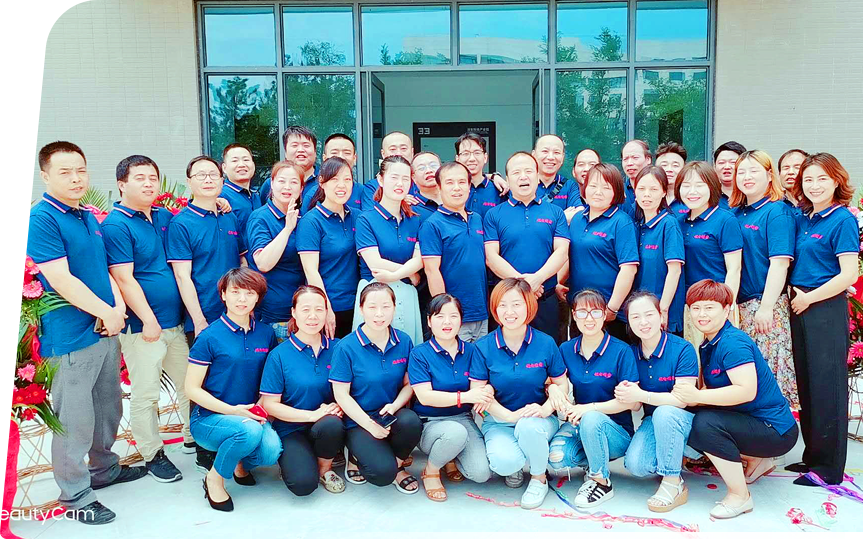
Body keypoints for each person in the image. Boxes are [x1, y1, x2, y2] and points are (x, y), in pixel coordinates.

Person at [18, 141, 146, 525]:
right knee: (74, 420)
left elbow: (103, 268)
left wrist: (117, 309)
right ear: (45, 176)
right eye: (65, 172)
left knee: (108, 407)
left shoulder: (87, 216)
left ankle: (104, 469)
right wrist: (107, 312)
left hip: (105, 329)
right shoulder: (43, 220)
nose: (76, 179)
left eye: (81, 170)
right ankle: (75, 495)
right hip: (70, 337)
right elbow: (60, 279)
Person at [675, 280, 798, 519]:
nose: (701, 314)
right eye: (696, 308)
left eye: (709, 307)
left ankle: (740, 497)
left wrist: (697, 396)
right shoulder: (709, 343)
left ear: (726, 309)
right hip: (754, 421)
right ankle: (757, 460)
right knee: (693, 416)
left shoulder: (733, 342)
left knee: (705, 425)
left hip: (775, 429)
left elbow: (746, 391)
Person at [102, 155, 191, 484]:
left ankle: (193, 437)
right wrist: (148, 319)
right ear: (122, 184)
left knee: (189, 385)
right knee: (147, 394)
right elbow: (123, 278)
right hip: (144, 328)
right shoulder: (116, 225)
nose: (149, 183)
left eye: (153, 177)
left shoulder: (164, 216)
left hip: (175, 323)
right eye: (140, 178)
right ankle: (153, 454)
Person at [787, 153, 858, 485]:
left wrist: (810, 298)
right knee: (808, 384)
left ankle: (829, 469)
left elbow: (848, 275)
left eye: (822, 179)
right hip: (800, 307)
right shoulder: (805, 218)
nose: (814, 186)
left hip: (824, 308)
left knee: (828, 386)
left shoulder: (841, 219)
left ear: (836, 181)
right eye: (808, 180)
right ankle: (813, 457)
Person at [185, 268, 281, 512]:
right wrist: (233, 411)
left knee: (271, 451)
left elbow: (270, 380)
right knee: (247, 432)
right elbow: (191, 389)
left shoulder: (266, 333)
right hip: (209, 418)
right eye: (235, 292)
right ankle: (214, 479)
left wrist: (260, 409)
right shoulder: (209, 337)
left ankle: (239, 462)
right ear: (223, 295)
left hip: (252, 415)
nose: (242, 299)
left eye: (249, 293)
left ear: (258, 297)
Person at [470, 278, 568, 509]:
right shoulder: (483, 346)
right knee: (504, 463)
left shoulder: (545, 343)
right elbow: (478, 393)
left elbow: (561, 385)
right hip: (499, 421)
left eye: (516, 304)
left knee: (528, 427)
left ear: (529, 306)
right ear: (495, 309)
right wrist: (509, 416)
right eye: (503, 305)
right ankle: (519, 460)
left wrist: (545, 409)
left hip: (538, 420)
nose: (509, 312)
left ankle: (538, 478)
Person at [547, 290, 639, 508]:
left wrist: (589, 408)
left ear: (605, 314)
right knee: (557, 457)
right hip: (579, 425)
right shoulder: (566, 349)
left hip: (615, 431)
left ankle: (601, 480)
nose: (589, 318)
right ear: (574, 315)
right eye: (582, 312)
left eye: (596, 312)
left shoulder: (621, 351)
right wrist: (553, 389)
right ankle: (595, 457)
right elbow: (553, 381)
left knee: (591, 418)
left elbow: (634, 403)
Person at [330, 282, 423, 493]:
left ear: (394, 308)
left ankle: (397, 466)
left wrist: (395, 406)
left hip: (390, 414)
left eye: (386, 306)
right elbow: (341, 395)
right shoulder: (346, 347)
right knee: (381, 475)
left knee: (411, 422)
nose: (379, 314)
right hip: (358, 420)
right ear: (361, 309)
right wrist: (370, 425)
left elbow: (410, 384)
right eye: (372, 307)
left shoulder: (403, 341)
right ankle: (355, 456)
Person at [260, 285, 347, 496]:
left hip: (327, 426)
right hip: (291, 428)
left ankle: (325, 469)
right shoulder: (279, 355)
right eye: (306, 309)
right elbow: (270, 405)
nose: (312, 316)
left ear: (326, 312)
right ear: (294, 312)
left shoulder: (339, 348)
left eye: (319, 309)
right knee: (303, 485)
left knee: (331, 424)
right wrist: (312, 415)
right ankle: (297, 461)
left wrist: (340, 405)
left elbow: (352, 389)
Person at [617, 292, 698, 512]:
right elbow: (633, 402)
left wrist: (641, 395)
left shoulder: (682, 349)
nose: (643, 322)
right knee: (636, 465)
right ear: (628, 322)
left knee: (665, 411)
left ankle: (673, 482)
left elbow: (682, 400)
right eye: (635, 317)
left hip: (684, 419)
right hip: (653, 420)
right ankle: (674, 455)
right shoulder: (629, 353)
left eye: (649, 314)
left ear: (661, 315)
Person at [409, 294, 494, 501]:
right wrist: (466, 396)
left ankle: (449, 456)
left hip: (462, 418)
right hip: (430, 422)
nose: (447, 322)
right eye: (440, 316)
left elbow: (480, 387)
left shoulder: (472, 351)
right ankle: (431, 470)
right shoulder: (419, 354)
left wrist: (487, 390)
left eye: (453, 316)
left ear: (461, 320)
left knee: (481, 473)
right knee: (455, 433)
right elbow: (425, 397)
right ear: (429, 321)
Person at [730, 150, 797, 409]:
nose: (746, 177)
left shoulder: (777, 211)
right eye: (741, 172)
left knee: (769, 374)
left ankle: (773, 430)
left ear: (769, 176)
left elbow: (780, 264)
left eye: (753, 171)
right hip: (740, 307)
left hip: (765, 306)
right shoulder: (737, 213)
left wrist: (767, 307)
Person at [483, 152, 569, 340]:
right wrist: (524, 285)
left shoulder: (556, 213)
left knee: (547, 351)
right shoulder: (493, 215)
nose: (523, 176)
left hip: (545, 299)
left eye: (529, 171)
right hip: (508, 303)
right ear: (508, 180)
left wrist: (538, 279)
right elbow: (491, 257)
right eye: (516, 172)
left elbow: (562, 252)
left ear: (537, 176)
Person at [167, 155, 246, 343]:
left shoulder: (230, 217)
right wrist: (199, 320)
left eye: (213, 175)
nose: (208, 180)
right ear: (189, 182)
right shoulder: (181, 224)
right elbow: (182, 276)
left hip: (237, 315)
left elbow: (242, 261)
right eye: (201, 175)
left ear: (222, 180)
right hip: (205, 319)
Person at [559, 163, 639, 342]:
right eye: (593, 186)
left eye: (606, 187)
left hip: (609, 313)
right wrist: (558, 283)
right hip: (580, 309)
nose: (598, 192)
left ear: (616, 191)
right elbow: (571, 256)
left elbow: (629, 269)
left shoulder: (621, 222)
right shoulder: (577, 219)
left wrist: (612, 307)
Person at [354, 155, 424, 344]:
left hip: (406, 295)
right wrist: (409, 273)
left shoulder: (415, 220)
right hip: (375, 295)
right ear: (381, 179)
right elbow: (374, 263)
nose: (400, 183)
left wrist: (396, 274)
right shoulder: (366, 219)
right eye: (394, 177)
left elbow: (419, 259)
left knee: (407, 349)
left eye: (405, 178)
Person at [419, 162, 489, 342]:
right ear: (439, 187)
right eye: (449, 182)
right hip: (454, 316)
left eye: (462, 182)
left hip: (481, 311)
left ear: (469, 186)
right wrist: (445, 313)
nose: (457, 188)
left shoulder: (477, 219)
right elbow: (432, 270)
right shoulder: (432, 225)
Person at [675, 161, 742, 345]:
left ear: (711, 187)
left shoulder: (725, 220)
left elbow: (734, 269)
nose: (692, 191)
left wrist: (727, 307)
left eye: (699, 185)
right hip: (689, 305)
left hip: (716, 305)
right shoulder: (678, 222)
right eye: (686, 186)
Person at [297, 156, 360, 338]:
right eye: (335, 180)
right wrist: (325, 308)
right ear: (321, 182)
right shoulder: (311, 221)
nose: (342, 185)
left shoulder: (357, 216)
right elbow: (311, 271)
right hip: (331, 306)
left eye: (347, 179)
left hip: (358, 305)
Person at [246, 160, 305, 342]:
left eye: (294, 182)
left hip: (302, 313)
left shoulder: (303, 219)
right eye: (281, 181)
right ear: (272, 184)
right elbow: (263, 263)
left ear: (301, 188)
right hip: (274, 316)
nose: (287, 187)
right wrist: (287, 229)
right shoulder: (260, 217)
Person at [632, 166, 685, 335]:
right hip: (641, 310)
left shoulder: (669, 224)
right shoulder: (637, 224)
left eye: (653, 189)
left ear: (663, 192)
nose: (646, 194)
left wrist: (663, 309)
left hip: (662, 312)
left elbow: (675, 271)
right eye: (641, 189)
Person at [303, 133, 363, 213]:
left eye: (347, 153)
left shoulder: (363, 191)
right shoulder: (312, 194)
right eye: (334, 153)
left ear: (354, 158)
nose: (341, 157)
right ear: (324, 158)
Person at [258, 126, 319, 204]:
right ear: (286, 152)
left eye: (306, 145)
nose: (300, 150)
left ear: (315, 152)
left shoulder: (325, 182)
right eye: (294, 145)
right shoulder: (272, 183)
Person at [455, 132, 508, 219]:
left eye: (477, 153)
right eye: (465, 153)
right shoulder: (452, 190)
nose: (472, 159)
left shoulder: (500, 190)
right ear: (457, 159)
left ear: (485, 157)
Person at [362, 131, 419, 208]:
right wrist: (396, 202)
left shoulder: (421, 183)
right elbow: (370, 213)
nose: (398, 153)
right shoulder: (372, 187)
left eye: (403, 148)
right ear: (383, 153)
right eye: (393, 149)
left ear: (412, 152)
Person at [219, 143, 261, 244]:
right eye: (235, 161)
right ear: (224, 168)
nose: (241, 165)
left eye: (246, 160)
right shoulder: (221, 196)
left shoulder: (255, 195)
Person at [532, 135, 583, 211]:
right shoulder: (524, 184)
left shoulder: (569, 186)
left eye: (556, 152)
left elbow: (578, 212)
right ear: (533, 155)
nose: (550, 157)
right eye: (545, 151)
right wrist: (563, 216)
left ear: (562, 157)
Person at [654, 142, 689, 220]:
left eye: (675, 165)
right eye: (664, 165)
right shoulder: (647, 198)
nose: (669, 169)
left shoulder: (692, 197)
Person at [620, 140, 652, 217]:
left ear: (648, 159)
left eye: (635, 157)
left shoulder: (658, 190)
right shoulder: (619, 191)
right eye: (625, 159)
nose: (629, 163)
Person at [713, 141, 747, 210]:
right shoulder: (708, 197)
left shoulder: (751, 195)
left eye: (733, 162)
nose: (727, 167)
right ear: (714, 167)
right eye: (721, 162)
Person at [411, 151, 443, 222]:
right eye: (421, 168)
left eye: (433, 165)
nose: (429, 170)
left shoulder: (457, 201)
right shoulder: (411, 210)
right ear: (414, 178)